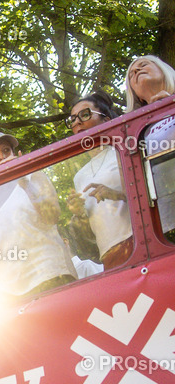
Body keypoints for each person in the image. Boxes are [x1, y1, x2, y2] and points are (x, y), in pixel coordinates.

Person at [0, 131, 76, 297]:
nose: (1, 156)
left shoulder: (33, 177)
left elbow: (52, 216)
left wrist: (23, 181)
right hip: (13, 296)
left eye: (6, 150)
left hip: (52, 279)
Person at [64, 92, 133, 269]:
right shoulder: (79, 176)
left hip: (136, 239)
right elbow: (90, 236)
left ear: (106, 120)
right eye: (72, 119)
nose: (77, 122)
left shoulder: (122, 151)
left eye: (85, 114)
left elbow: (148, 194)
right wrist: (79, 213)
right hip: (108, 255)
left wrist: (116, 194)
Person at [125, 56, 175, 232]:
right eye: (132, 74)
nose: (136, 71)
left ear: (163, 70)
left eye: (143, 65)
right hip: (167, 219)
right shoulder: (134, 131)